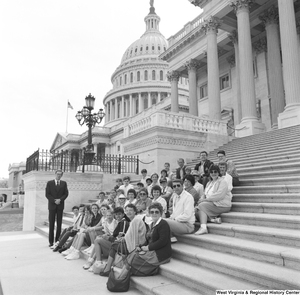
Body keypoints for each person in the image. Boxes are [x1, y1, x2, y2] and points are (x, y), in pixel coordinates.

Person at [99, 204, 147, 277]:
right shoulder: (133, 220)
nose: (128, 212)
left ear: (135, 211)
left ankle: (107, 269)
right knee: (115, 244)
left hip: (136, 245)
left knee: (114, 245)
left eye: (130, 210)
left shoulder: (136, 220)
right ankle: (107, 268)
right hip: (133, 242)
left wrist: (123, 238)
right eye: (127, 210)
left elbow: (134, 237)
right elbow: (131, 235)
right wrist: (124, 236)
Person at [132, 203, 172, 275]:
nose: (154, 214)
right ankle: (122, 276)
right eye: (152, 212)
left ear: (161, 213)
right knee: (132, 255)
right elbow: (148, 240)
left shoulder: (163, 224)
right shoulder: (151, 224)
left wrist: (148, 248)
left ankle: (122, 278)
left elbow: (162, 241)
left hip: (161, 254)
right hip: (152, 250)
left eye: (156, 212)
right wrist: (140, 246)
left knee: (134, 260)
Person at [195, 165, 232, 235]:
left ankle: (203, 228)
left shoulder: (222, 181)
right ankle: (212, 220)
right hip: (211, 203)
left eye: (215, 171)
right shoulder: (209, 183)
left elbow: (219, 195)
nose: (213, 173)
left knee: (201, 206)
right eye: (211, 172)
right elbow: (204, 194)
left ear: (218, 172)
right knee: (195, 211)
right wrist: (201, 199)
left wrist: (205, 200)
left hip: (222, 204)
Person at [165, 179, 195, 243]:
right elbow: (175, 213)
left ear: (182, 186)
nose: (176, 187)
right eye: (174, 186)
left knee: (163, 222)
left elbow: (187, 215)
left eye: (178, 185)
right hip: (179, 222)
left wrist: (174, 219)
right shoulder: (175, 196)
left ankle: (170, 237)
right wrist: (171, 218)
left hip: (187, 225)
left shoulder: (188, 197)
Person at [45, 169, 69, 247]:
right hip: (52, 205)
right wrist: (54, 201)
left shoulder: (64, 183)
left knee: (59, 224)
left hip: (60, 206)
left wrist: (60, 200)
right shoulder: (49, 183)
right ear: (55, 174)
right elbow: (47, 194)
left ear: (61, 175)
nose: (59, 175)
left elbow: (66, 193)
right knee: (51, 223)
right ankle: (51, 242)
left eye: (60, 174)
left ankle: (57, 241)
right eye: (57, 174)